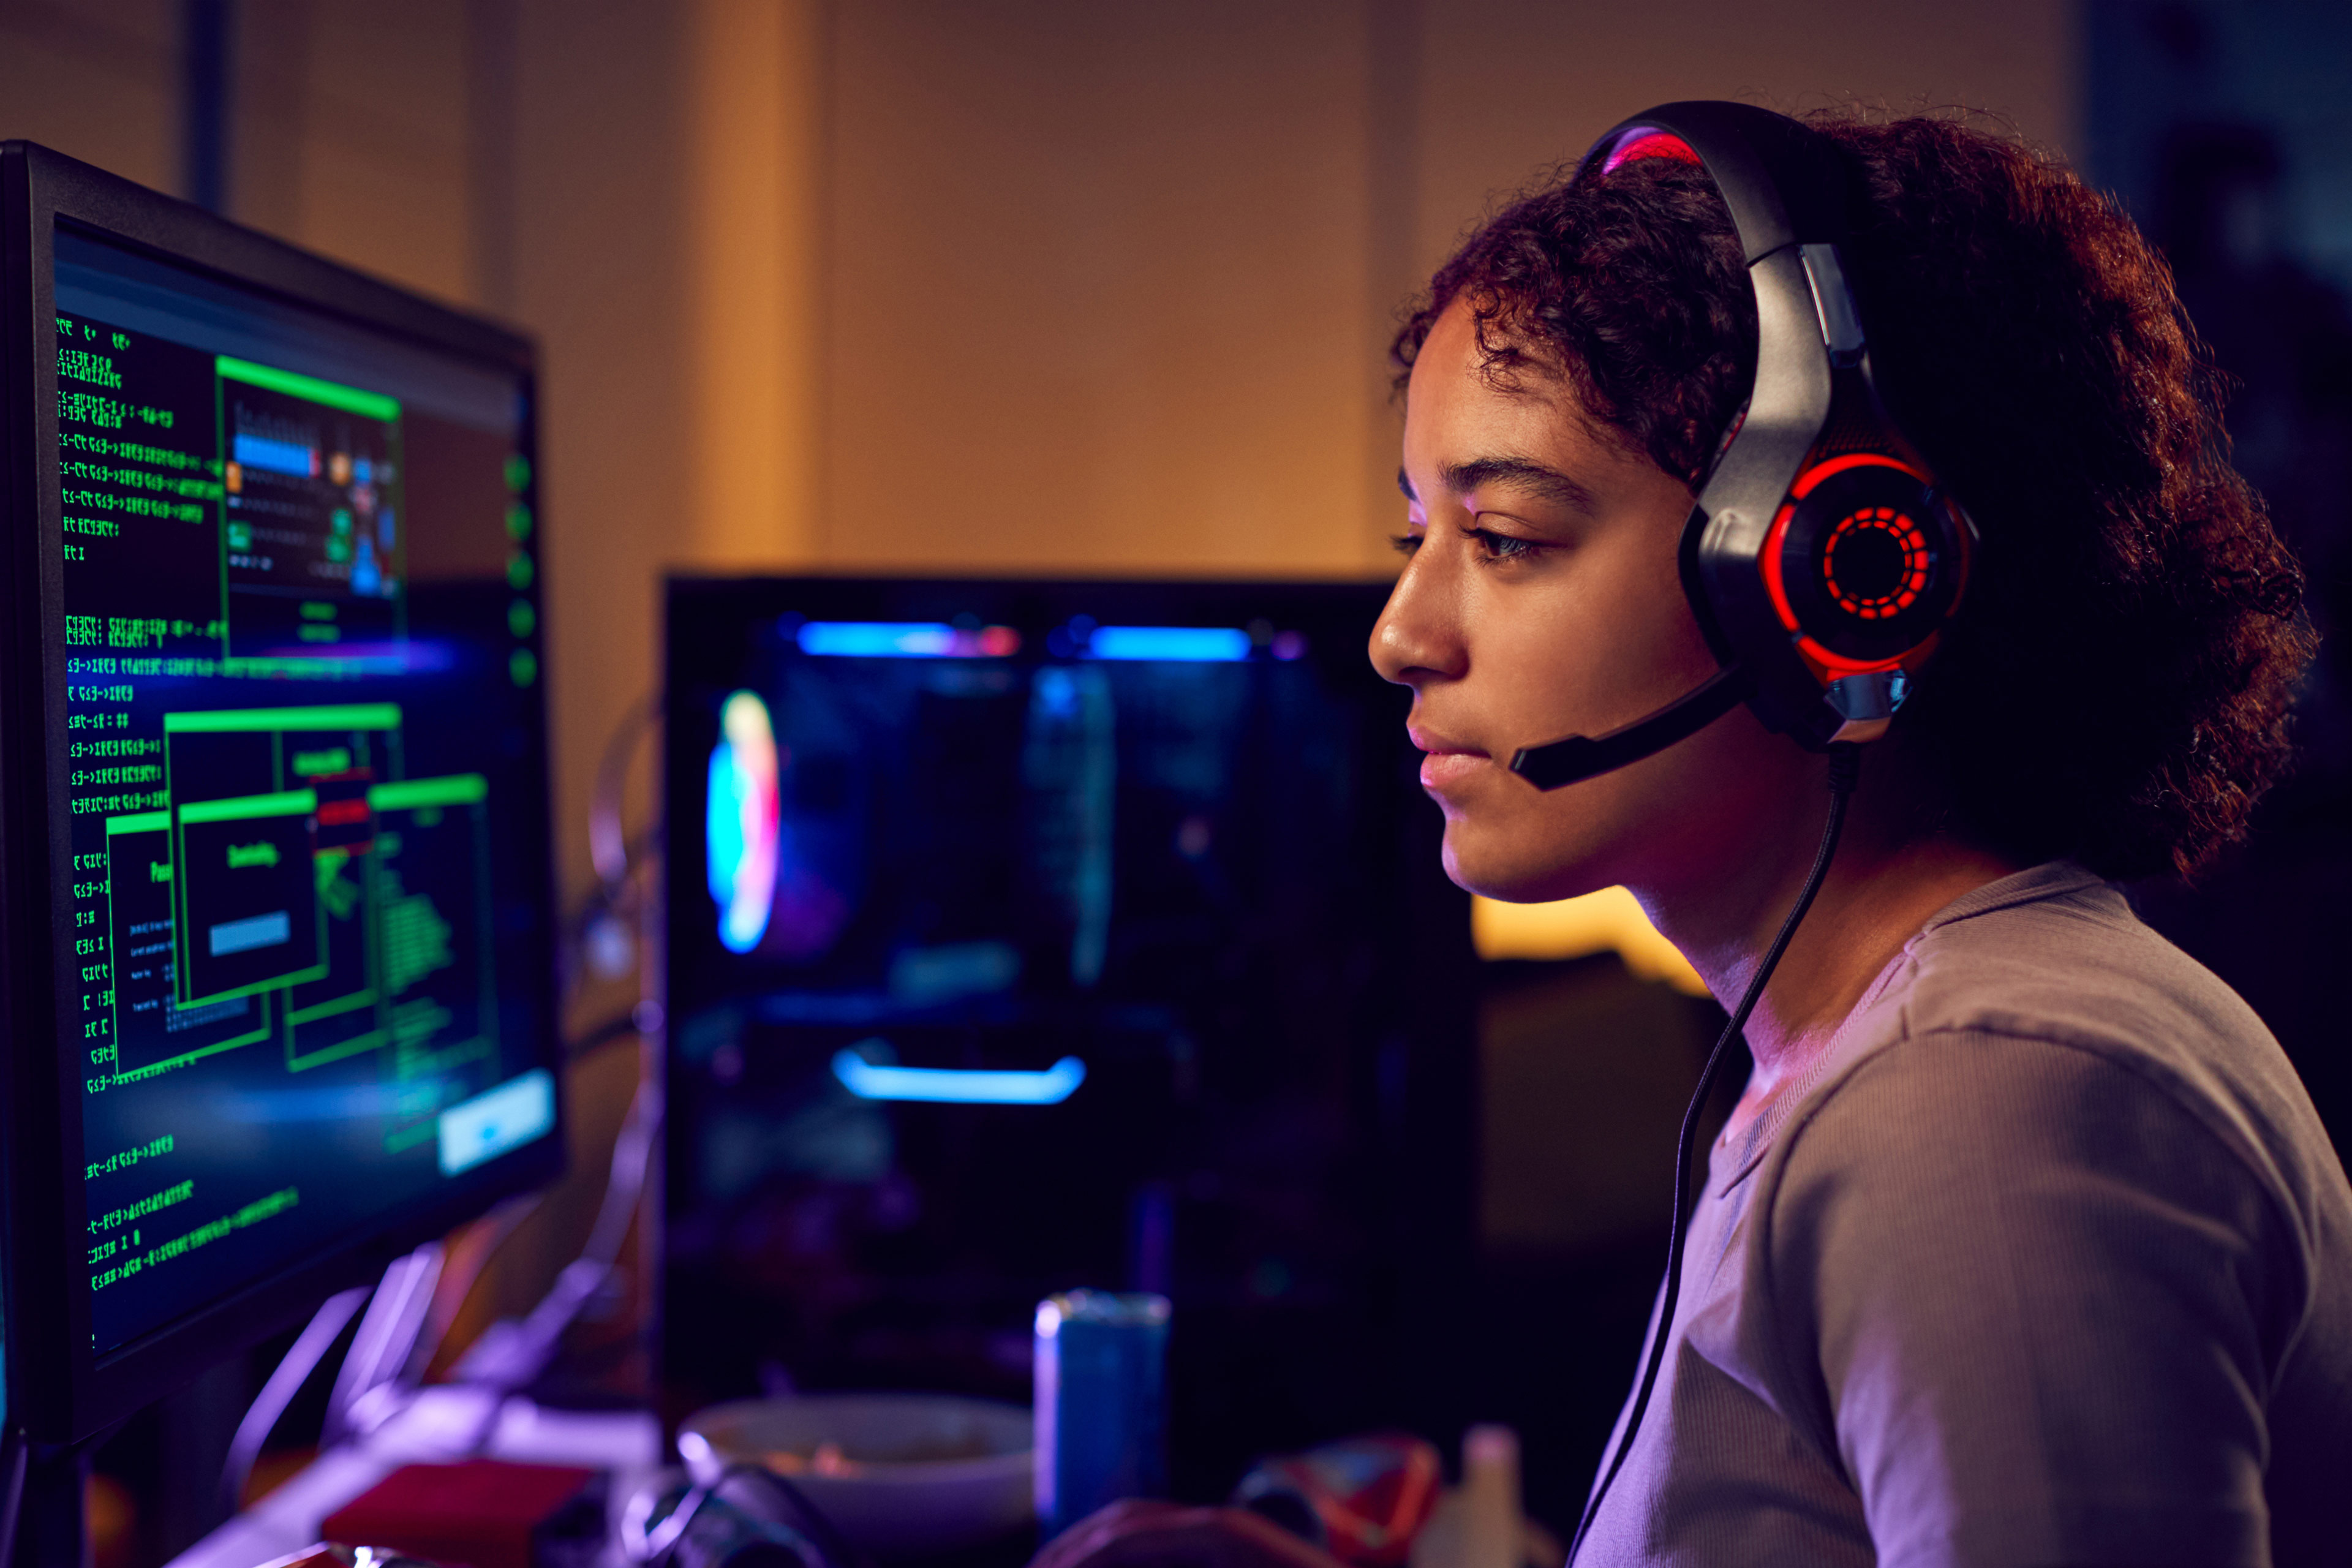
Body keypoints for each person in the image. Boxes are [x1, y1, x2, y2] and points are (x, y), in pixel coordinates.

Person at [1036, 108, 2352, 1568]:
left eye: (1510, 538)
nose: (1403, 634)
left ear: (1829, 576)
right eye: (1422, 535)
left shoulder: (1983, 1102)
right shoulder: (1893, 1051)